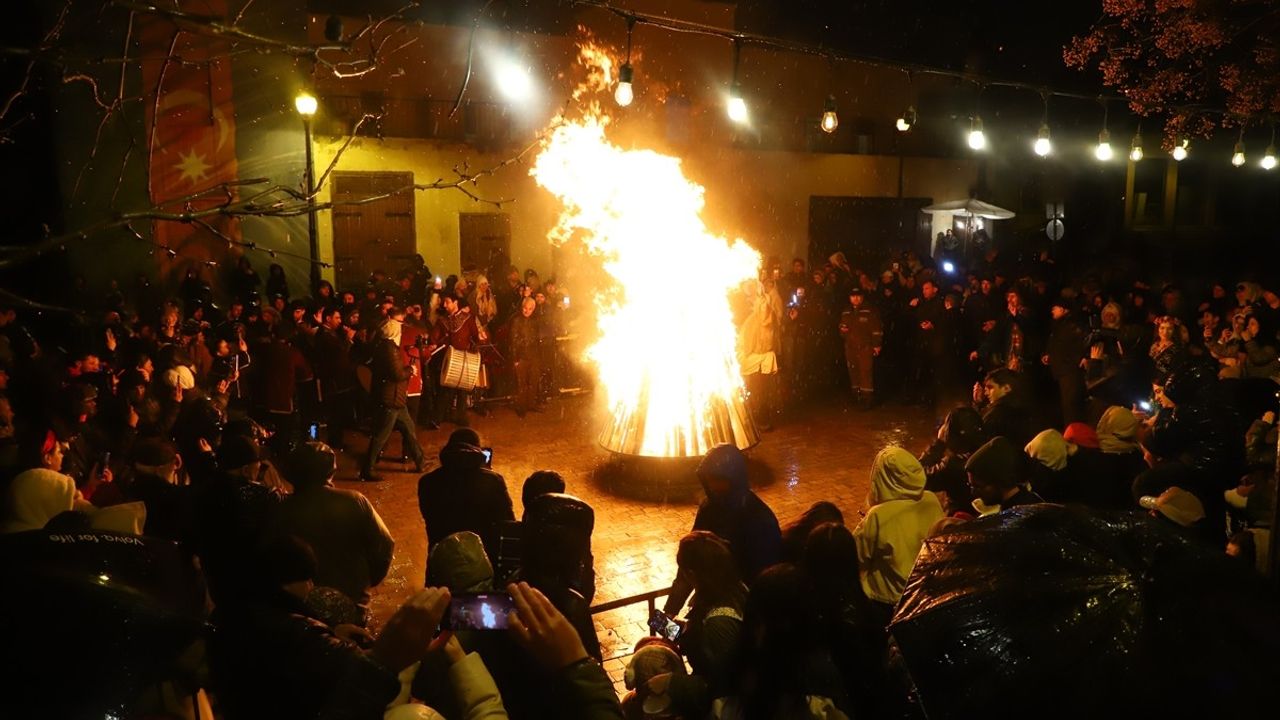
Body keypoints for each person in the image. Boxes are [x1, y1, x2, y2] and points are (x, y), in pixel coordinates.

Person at [663, 443, 781, 617]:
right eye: (709, 479)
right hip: (713, 597)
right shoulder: (710, 508)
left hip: (739, 606)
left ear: (734, 479)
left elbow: (763, 574)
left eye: (718, 479)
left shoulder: (759, 518)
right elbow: (692, 557)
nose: (712, 486)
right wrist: (671, 609)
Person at [278, 442, 394, 610]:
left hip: (303, 602)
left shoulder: (282, 508)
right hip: (351, 599)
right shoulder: (354, 501)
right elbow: (384, 546)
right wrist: (366, 582)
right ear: (331, 471)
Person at [852, 446, 943, 617]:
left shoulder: (878, 515)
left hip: (887, 599)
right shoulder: (931, 499)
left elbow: (857, 554)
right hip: (923, 591)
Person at [416, 428, 514, 563]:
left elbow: (430, 517)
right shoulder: (493, 481)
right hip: (483, 560)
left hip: (442, 558)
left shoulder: (427, 482)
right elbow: (508, 522)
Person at [361, 316, 426, 482]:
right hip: (391, 398)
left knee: (409, 429)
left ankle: (421, 462)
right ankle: (367, 469)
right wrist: (410, 369)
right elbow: (396, 374)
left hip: (395, 398)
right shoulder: (390, 349)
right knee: (380, 436)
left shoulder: (383, 346)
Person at [965, 436, 1044, 512]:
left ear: (1000, 481)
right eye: (970, 485)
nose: (973, 493)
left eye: (978, 486)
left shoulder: (1018, 515)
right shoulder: (1030, 498)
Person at [1042, 296, 1087, 425]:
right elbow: (1057, 345)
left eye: (1054, 308)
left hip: (1069, 370)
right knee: (1067, 406)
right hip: (1062, 370)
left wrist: (1078, 359)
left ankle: (1074, 435)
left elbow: (1076, 345)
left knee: (1071, 407)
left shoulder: (1071, 326)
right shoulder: (1059, 326)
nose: (1052, 311)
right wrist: (1049, 355)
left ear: (1063, 309)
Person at [838, 288, 882, 408]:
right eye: (853, 296)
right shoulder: (846, 312)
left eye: (858, 296)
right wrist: (842, 330)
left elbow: (876, 329)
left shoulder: (869, 310)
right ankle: (856, 398)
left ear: (862, 297)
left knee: (865, 373)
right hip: (850, 347)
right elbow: (841, 328)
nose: (855, 298)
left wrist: (877, 344)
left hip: (865, 347)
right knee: (853, 372)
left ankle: (867, 400)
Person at [509, 297, 541, 417]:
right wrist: (515, 358)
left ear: (533, 309)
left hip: (533, 356)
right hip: (521, 357)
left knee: (533, 381)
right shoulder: (516, 321)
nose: (527, 311)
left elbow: (537, 339)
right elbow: (513, 341)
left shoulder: (535, 321)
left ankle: (531, 404)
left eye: (530, 309)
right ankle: (521, 407)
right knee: (521, 383)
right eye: (525, 308)